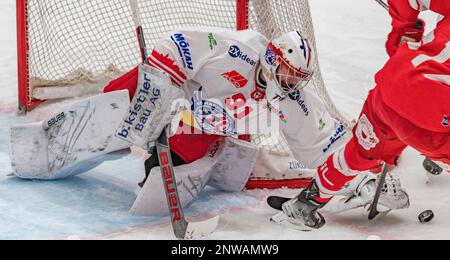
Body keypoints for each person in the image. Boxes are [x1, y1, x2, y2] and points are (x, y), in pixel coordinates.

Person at [280, 0, 450, 229]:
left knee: (358, 152)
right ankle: (436, 158)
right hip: (432, 118)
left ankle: (306, 202)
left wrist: (405, 31)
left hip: (391, 87)